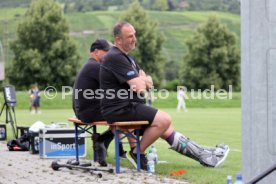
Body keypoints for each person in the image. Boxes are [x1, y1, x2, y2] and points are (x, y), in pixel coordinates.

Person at [100, 21, 230, 170]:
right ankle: (137, 153)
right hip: (121, 109)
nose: (134, 38)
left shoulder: (128, 58)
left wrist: (142, 80)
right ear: (118, 40)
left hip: (130, 107)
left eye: (134, 34)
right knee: (164, 119)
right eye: (130, 36)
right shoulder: (115, 57)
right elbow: (140, 86)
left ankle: (205, 157)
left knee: (166, 127)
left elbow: (149, 82)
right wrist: (142, 80)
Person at [72, 39, 126, 166]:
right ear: (96, 52)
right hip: (88, 112)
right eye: (107, 51)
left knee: (120, 113)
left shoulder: (90, 65)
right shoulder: (96, 67)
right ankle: (102, 141)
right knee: (126, 115)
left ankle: (103, 143)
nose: (109, 55)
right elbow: (117, 87)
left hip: (83, 110)